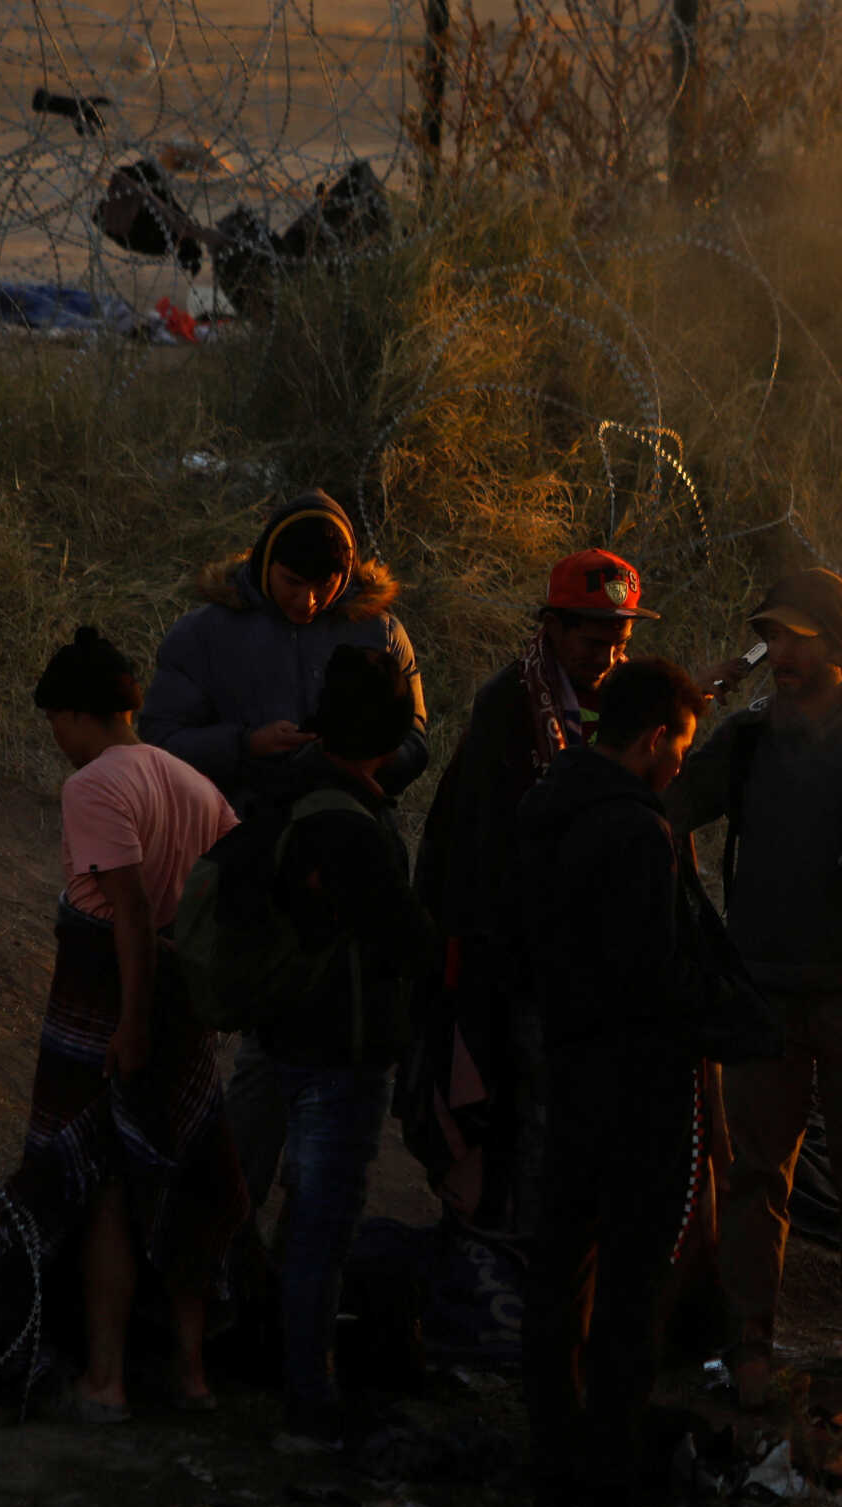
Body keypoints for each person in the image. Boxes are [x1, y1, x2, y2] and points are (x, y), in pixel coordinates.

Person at [0, 627, 247, 1421]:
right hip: (187, 1004)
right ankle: (192, 1377)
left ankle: (106, 1382)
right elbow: (217, 909)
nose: (55, 739)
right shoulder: (198, 787)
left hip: (104, 1002)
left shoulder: (93, 787)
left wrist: (130, 1023)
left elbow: (126, 914)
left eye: (55, 720)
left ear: (82, 714)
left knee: (103, 1186)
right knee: (182, 1176)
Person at [668, 568, 842, 1421]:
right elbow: (665, 803)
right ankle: (752, 1346)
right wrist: (693, 699)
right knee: (757, 1180)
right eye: (771, 632)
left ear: (838, 645)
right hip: (763, 995)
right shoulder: (748, 737)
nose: (780, 650)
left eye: (796, 635)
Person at [516, 659, 764, 1507]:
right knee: (632, 1278)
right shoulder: (634, 829)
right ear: (655, 738)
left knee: (560, 1270)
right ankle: (607, 1468)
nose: (683, 767)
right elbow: (652, 971)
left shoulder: (547, 805)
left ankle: (552, 1449)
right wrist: (725, 1019)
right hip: (639, 1086)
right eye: (681, 748)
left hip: (567, 1067)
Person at [141, 491, 428, 1208]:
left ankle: (287, 1224)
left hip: (347, 862)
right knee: (257, 1036)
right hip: (246, 860)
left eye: (324, 584)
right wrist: (245, 744)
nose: (308, 599)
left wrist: (351, 759)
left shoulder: (380, 631)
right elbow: (160, 740)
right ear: (266, 564)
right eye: (292, 583)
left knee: (320, 1036)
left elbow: (416, 739)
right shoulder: (206, 634)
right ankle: (220, 1221)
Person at [412, 549, 659, 1229]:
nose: (607, 654)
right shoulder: (510, 705)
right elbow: (476, 841)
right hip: (521, 957)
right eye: (592, 637)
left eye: (620, 640)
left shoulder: (627, 701)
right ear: (551, 625)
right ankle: (518, 1266)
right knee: (528, 1113)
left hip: (601, 961)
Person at [251, 645, 437, 1452]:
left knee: (303, 1220)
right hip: (341, 1048)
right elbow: (404, 937)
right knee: (324, 1228)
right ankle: (307, 1401)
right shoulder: (348, 821)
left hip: (285, 1036)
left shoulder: (290, 793)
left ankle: (287, 1375)